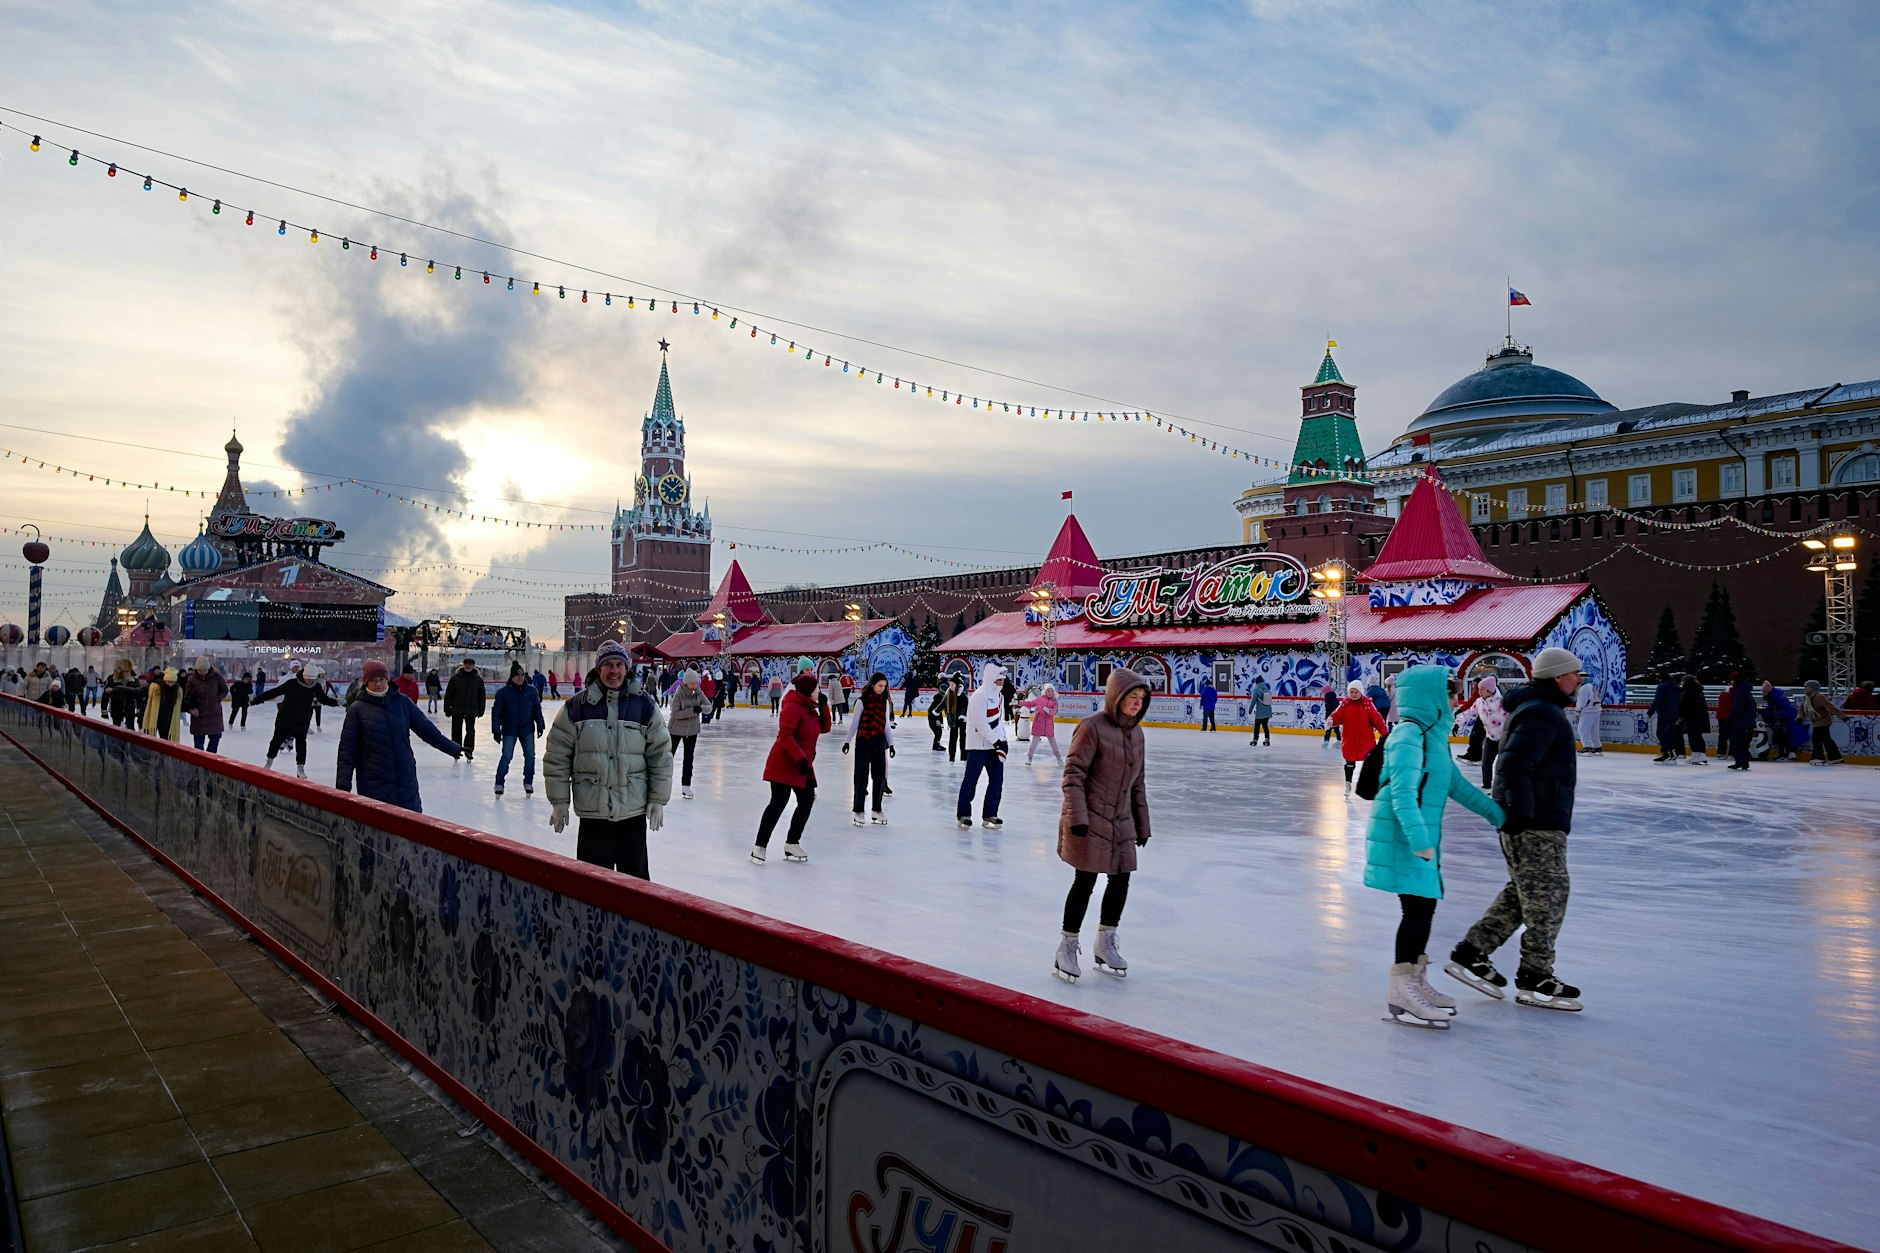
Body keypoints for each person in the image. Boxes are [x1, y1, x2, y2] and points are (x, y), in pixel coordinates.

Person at [1367, 666, 1506, 1029]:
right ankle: (1401, 987)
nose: (1458, 700)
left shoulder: (1433, 737)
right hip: (1402, 834)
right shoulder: (1408, 736)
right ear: (1430, 697)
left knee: (1423, 907)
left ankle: (1413, 980)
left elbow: (1457, 786)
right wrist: (1419, 840)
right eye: (1450, 693)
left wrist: (1500, 816)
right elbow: (1402, 793)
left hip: (1419, 836)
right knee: (1416, 908)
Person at [1448, 647, 1585, 1012]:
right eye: (1574, 673)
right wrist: (1522, 814)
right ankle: (1535, 974)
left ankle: (1473, 952)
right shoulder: (1541, 711)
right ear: (1557, 676)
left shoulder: (1541, 708)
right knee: (1549, 894)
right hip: (1535, 821)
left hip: (1538, 817)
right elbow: (1512, 764)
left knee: (1526, 892)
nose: (1579, 679)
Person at [1053, 668, 1154, 984]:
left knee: (1121, 879)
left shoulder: (1137, 734)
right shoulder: (1092, 727)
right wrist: (1078, 818)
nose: (1137, 704)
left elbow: (1138, 784)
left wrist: (1142, 824)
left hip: (1121, 820)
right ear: (1116, 697)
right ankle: (1067, 945)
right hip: (1091, 818)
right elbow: (1074, 775)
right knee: (1085, 882)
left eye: (1141, 699)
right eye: (1131, 698)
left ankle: (1105, 941)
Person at [544, 640, 672, 880]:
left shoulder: (644, 705)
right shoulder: (576, 707)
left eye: (619, 665)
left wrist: (658, 798)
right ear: (598, 669)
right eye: (608, 665)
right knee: (592, 884)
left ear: (626, 668)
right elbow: (557, 756)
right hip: (594, 811)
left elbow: (660, 754)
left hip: (632, 811)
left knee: (635, 886)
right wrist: (559, 800)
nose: (614, 671)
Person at [336, 660, 462, 811]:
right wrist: (343, 784)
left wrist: (453, 748)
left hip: (405, 777)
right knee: (380, 828)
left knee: (411, 825)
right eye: (373, 680)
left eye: (382, 679)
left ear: (387, 679)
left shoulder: (403, 702)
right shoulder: (357, 709)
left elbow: (428, 731)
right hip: (374, 781)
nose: (378, 684)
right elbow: (347, 750)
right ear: (365, 683)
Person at [753, 660, 832, 863]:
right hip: (784, 762)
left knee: (806, 800)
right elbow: (785, 735)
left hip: (802, 764)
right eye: (816, 689)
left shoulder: (810, 708)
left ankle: (792, 843)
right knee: (778, 803)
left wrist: (823, 706)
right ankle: (759, 847)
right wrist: (800, 758)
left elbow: (825, 728)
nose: (819, 691)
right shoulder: (793, 706)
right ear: (807, 691)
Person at [253, 663, 339, 778]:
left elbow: (323, 699)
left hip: (302, 720)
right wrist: (255, 701)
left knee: (301, 745)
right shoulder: (291, 684)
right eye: (308, 678)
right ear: (303, 675)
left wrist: (336, 702)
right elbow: (273, 692)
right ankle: (268, 763)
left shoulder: (316, 686)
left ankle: (300, 768)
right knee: (276, 741)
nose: (310, 681)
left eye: (312, 679)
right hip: (285, 718)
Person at [956, 664, 1009, 830]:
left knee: (997, 781)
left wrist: (1003, 739)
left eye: (1003, 679)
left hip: (994, 746)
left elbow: (998, 721)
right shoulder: (979, 696)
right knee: (971, 780)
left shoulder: (999, 696)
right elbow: (981, 724)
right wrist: (997, 741)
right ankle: (963, 814)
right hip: (978, 746)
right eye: (999, 679)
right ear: (991, 678)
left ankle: (990, 814)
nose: (1002, 682)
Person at [843, 672, 896, 825]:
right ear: (872, 685)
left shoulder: (885, 703)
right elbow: (855, 724)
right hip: (864, 742)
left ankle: (876, 810)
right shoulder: (862, 701)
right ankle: (858, 811)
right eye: (880, 686)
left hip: (879, 743)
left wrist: (891, 744)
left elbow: (886, 725)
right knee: (861, 777)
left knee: (879, 777)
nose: (882, 689)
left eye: (884, 686)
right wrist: (847, 741)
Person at [491, 662, 547, 796]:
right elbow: (496, 712)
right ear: (512, 677)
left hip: (527, 729)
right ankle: (499, 783)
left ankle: (528, 781)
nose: (520, 678)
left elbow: (536, 710)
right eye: (517, 675)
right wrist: (496, 730)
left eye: (522, 675)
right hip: (510, 729)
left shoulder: (531, 691)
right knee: (506, 756)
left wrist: (540, 724)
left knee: (530, 757)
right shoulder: (503, 693)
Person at [1328, 680, 1387, 794]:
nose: (1353, 694)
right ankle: (1348, 784)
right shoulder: (1345, 704)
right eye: (1351, 692)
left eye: (1356, 692)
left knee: (1369, 764)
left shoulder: (1368, 704)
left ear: (1361, 692)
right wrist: (1331, 720)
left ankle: (1372, 785)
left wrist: (1385, 734)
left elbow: (1378, 720)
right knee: (1349, 764)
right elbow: (1337, 716)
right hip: (1349, 741)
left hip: (1365, 741)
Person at [667, 669, 708, 800]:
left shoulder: (699, 693)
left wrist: (701, 708)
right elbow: (675, 714)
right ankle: (661, 782)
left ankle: (686, 785)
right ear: (686, 683)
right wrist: (692, 711)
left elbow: (709, 706)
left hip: (692, 731)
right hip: (676, 730)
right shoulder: (679, 694)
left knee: (689, 759)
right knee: (668, 757)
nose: (695, 686)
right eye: (692, 684)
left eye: (696, 683)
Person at [182, 656, 228, 754]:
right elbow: (187, 698)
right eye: (199, 670)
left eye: (204, 670)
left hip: (214, 714)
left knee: (215, 738)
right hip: (198, 715)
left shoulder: (217, 677)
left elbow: (225, 689)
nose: (202, 672)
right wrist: (191, 709)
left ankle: (210, 761)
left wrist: (218, 698)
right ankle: (199, 763)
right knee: (198, 745)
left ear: (208, 668)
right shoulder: (192, 680)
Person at [1468, 675, 1506, 787]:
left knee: (1504, 765)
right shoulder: (1479, 702)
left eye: (1482, 689)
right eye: (1478, 689)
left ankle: (1503, 787)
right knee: (1486, 763)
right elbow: (1469, 714)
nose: (1479, 692)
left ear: (1490, 690)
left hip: (1504, 739)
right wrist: (1458, 723)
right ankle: (1486, 785)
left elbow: (1513, 717)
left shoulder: (1503, 702)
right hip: (1490, 737)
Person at [443, 658, 485, 758]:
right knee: (456, 731)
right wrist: (447, 708)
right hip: (457, 709)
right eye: (466, 664)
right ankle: (455, 750)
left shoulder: (478, 680)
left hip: (471, 709)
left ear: (473, 666)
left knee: (470, 732)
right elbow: (448, 694)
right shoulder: (455, 678)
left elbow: (481, 696)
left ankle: (469, 750)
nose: (468, 666)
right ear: (463, 665)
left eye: (470, 664)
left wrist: (481, 710)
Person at [1799, 680, 1845, 765]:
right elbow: (1801, 708)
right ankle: (1836, 757)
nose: (1805, 688)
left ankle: (1818, 758)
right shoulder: (1806, 697)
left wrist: (1842, 716)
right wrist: (1800, 717)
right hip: (1816, 721)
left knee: (1816, 739)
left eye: (1807, 686)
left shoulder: (1819, 697)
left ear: (1813, 688)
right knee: (1826, 739)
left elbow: (1830, 707)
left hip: (1824, 720)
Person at [1021, 683, 1063, 764]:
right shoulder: (1040, 699)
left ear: (1054, 692)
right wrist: (1020, 703)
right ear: (1045, 692)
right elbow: (1030, 704)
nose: (1050, 692)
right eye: (1048, 691)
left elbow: (1054, 712)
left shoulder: (1054, 702)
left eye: (1051, 691)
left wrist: (1049, 711)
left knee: (1053, 743)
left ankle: (1058, 758)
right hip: (1038, 723)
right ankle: (1029, 758)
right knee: (1034, 743)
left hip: (1048, 725)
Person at [1648, 672, 1683, 764]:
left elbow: (1658, 700)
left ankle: (1668, 754)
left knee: (1661, 733)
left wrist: (1650, 712)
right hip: (1675, 714)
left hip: (1665, 714)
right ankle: (1670, 754)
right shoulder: (1677, 687)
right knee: (1668, 733)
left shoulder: (1662, 687)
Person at [141, 667, 185, 740]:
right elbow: (140, 692)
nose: (170, 684)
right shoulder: (156, 687)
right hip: (157, 718)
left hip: (170, 720)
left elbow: (182, 704)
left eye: (173, 682)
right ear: (165, 680)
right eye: (168, 682)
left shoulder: (178, 691)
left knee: (165, 740)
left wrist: (191, 708)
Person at [1725, 671, 1757, 770]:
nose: (1731, 682)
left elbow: (1737, 707)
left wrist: (1730, 718)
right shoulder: (1746, 690)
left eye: (1732, 680)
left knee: (1737, 742)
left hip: (1740, 721)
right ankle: (1742, 762)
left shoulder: (1739, 691)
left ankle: (1741, 762)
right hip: (1747, 720)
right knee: (1742, 742)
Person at [1679, 675, 1712, 763]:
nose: (1681, 683)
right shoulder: (1698, 691)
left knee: (1695, 736)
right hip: (1697, 717)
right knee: (1695, 736)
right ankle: (1696, 754)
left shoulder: (1688, 692)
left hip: (1692, 718)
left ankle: (1700, 754)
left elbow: (1683, 705)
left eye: (1682, 682)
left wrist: (1679, 714)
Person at [1574, 677, 1603, 754]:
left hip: (1588, 710)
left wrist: (1577, 711)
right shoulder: (1591, 686)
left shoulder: (1583, 688)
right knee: (1594, 730)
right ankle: (1597, 747)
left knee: (1582, 729)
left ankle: (1587, 747)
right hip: (1596, 709)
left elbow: (1582, 702)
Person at [944, 673, 969, 762]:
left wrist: (963, 715)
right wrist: (937, 711)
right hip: (953, 720)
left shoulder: (963, 696)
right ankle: (951, 758)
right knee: (952, 740)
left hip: (962, 721)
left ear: (957, 685)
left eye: (952, 684)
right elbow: (944, 705)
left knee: (963, 739)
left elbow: (965, 706)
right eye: (950, 684)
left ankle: (964, 757)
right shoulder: (948, 694)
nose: (950, 686)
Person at [1247, 677, 1272, 746]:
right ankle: (1267, 739)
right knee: (1265, 725)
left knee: (1257, 726)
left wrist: (1250, 709)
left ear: (1257, 682)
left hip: (1260, 711)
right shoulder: (1266, 688)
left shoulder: (1256, 689)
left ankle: (1255, 740)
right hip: (1268, 710)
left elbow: (1253, 701)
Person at [1321, 684, 1340, 749]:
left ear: (1326, 692)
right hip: (1335, 717)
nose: (1322, 695)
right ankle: (1339, 740)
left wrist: (1328, 717)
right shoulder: (1334, 699)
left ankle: (1326, 741)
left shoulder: (1328, 699)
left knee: (1328, 729)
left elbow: (1329, 709)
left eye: (1323, 693)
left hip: (1331, 717)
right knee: (1336, 729)